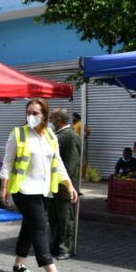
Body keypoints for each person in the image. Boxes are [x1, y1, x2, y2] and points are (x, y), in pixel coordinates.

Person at [0, 98, 78, 272]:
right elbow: (7, 163)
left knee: (29, 226)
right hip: (24, 189)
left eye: (35, 113)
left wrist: (69, 184)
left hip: (44, 190)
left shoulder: (50, 135)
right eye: (28, 112)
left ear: (44, 116)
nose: (31, 116)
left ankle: (18, 265)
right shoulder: (18, 134)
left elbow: (58, 162)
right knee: (40, 227)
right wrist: (3, 187)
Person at [47, 108, 81, 260]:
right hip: (53, 185)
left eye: (51, 117)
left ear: (59, 119)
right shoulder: (57, 135)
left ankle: (66, 248)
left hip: (64, 187)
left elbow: (71, 165)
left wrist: (67, 185)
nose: (49, 120)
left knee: (66, 219)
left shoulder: (70, 136)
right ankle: (54, 246)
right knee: (54, 219)